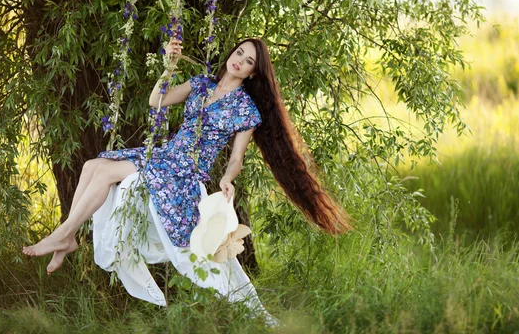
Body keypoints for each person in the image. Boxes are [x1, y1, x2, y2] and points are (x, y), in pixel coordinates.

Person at [22, 36, 354, 326]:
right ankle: (67, 235)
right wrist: (168, 67)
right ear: (231, 53)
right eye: (239, 53)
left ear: (254, 72)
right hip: (167, 155)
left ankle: (65, 235)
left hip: (184, 172)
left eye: (249, 61)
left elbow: (236, 157)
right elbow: (157, 101)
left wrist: (226, 179)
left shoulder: (246, 109)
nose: (239, 61)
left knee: (106, 172)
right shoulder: (201, 83)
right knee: (93, 166)